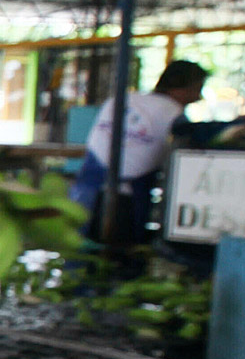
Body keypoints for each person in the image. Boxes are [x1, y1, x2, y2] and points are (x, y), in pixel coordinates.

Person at [71, 59, 205, 242]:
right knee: (123, 256)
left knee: (77, 247)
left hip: (86, 190)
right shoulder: (174, 115)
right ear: (186, 87)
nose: (198, 97)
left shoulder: (120, 99)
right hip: (130, 200)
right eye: (198, 89)